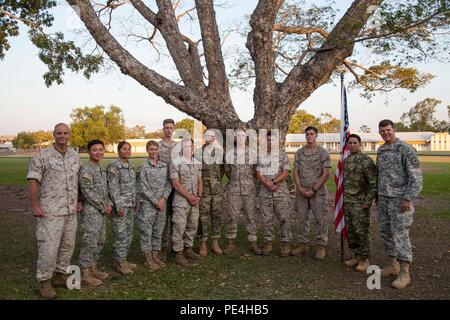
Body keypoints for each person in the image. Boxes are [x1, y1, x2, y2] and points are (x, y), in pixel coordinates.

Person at [27, 123, 82, 299]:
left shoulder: (74, 155)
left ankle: (60, 276)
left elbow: (78, 180)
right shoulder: (42, 156)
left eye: (65, 133)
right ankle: (44, 282)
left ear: (69, 135)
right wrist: (35, 205)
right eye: (59, 133)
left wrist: (80, 199)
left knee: (68, 245)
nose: (62, 136)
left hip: (70, 210)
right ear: (54, 134)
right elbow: (33, 181)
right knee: (49, 248)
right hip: (50, 211)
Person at [377, 119, 423, 289]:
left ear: (394, 130)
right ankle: (393, 265)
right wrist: (378, 197)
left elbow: (416, 177)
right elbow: (380, 176)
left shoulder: (405, 149)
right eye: (382, 131)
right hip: (383, 199)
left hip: (400, 201)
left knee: (400, 235)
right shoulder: (381, 150)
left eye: (388, 130)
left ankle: (405, 272)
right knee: (386, 233)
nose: (385, 133)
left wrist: (408, 198)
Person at [292, 126, 331, 260]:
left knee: (320, 220)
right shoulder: (299, 153)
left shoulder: (323, 152)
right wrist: (300, 188)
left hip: (318, 193)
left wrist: (314, 189)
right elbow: (295, 172)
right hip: (301, 192)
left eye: (311, 134)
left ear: (316, 136)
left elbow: (326, 174)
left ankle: (321, 246)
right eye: (307, 134)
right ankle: (303, 244)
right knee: (302, 219)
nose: (309, 136)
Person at [78, 139, 112, 287]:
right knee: (89, 242)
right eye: (95, 150)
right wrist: (102, 205)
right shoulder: (87, 169)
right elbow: (87, 191)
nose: (98, 152)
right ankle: (85, 273)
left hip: (102, 211)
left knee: (100, 240)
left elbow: (106, 190)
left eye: (100, 149)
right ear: (89, 152)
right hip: (92, 212)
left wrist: (109, 203)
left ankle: (93, 268)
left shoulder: (101, 169)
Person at [342, 134, 377, 272]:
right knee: (350, 231)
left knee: (361, 231)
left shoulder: (366, 161)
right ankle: (356, 255)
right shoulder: (346, 161)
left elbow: (373, 183)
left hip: (360, 203)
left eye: (355, 143)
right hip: (347, 202)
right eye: (350, 143)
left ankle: (364, 259)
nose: (352, 145)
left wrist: (368, 201)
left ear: (360, 144)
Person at [224, 128, 261, 255]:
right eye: (238, 135)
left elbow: (256, 172)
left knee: (251, 216)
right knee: (232, 216)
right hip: (234, 190)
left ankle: (252, 242)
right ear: (234, 137)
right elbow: (228, 171)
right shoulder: (229, 154)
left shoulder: (252, 154)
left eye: (242, 136)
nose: (240, 138)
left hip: (249, 190)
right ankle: (230, 242)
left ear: (246, 137)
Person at [255, 130, 292, 257]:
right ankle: (268, 242)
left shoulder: (282, 155)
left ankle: (285, 243)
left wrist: (274, 182)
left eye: (273, 140)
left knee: (284, 218)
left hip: (280, 192)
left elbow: (286, 171)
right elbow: (258, 173)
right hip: (265, 192)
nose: (271, 142)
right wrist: (268, 184)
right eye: (269, 140)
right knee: (267, 219)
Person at [137, 140, 172, 271]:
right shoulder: (143, 167)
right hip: (148, 204)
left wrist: (163, 199)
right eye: (151, 149)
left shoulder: (164, 166)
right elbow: (143, 187)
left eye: (155, 149)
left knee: (158, 230)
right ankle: (148, 259)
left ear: (158, 150)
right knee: (147, 231)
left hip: (162, 204)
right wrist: (155, 201)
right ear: (147, 150)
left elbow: (169, 183)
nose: (154, 152)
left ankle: (155, 255)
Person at [107, 141, 138, 275]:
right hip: (121, 207)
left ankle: (123, 259)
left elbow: (133, 186)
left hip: (130, 206)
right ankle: (119, 263)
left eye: (128, 149)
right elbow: (113, 188)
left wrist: (136, 201)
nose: (127, 151)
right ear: (119, 151)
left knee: (128, 234)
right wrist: (118, 206)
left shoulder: (130, 166)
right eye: (124, 149)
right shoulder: (114, 166)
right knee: (120, 235)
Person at [170, 138, 203, 267]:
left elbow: (200, 181)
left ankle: (188, 248)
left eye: (190, 146)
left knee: (192, 225)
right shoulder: (175, 163)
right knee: (179, 227)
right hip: (181, 201)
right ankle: (178, 252)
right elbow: (175, 184)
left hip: (195, 200)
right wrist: (189, 196)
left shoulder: (197, 163)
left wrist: (199, 196)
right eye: (186, 146)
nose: (188, 148)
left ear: (193, 148)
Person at [197, 129, 225, 256]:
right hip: (204, 189)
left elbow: (224, 169)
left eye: (212, 136)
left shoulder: (220, 152)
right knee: (203, 216)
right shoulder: (198, 153)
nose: (210, 138)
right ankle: (203, 242)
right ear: (204, 137)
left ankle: (215, 241)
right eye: (208, 135)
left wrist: (217, 181)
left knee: (217, 215)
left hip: (217, 189)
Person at [158, 118, 178, 261]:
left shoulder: (179, 147)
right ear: (163, 129)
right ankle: (162, 248)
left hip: (176, 186)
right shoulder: (158, 146)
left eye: (171, 128)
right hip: (163, 187)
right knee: (163, 219)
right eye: (166, 127)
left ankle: (175, 246)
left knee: (175, 218)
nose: (168, 130)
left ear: (174, 129)